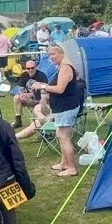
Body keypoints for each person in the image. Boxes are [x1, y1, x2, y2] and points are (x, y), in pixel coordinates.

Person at [34, 44, 81, 177]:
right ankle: (64, 163)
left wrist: (42, 86)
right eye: (49, 55)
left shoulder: (66, 68)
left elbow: (60, 89)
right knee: (60, 135)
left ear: (62, 53)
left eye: (53, 54)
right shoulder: (60, 68)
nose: (51, 57)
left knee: (64, 137)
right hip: (61, 107)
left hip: (67, 107)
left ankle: (71, 168)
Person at [12, 60, 44, 129]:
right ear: (26, 68)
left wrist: (31, 94)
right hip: (28, 99)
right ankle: (18, 120)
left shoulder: (41, 75)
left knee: (24, 97)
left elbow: (44, 91)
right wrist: (22, 94)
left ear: (36, 67)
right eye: (28, 68)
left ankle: (38, 121)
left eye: (32, 68)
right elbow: (21, 88)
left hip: (39, 99)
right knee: (17, 97)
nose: (30, 70)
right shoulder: (24, 75)